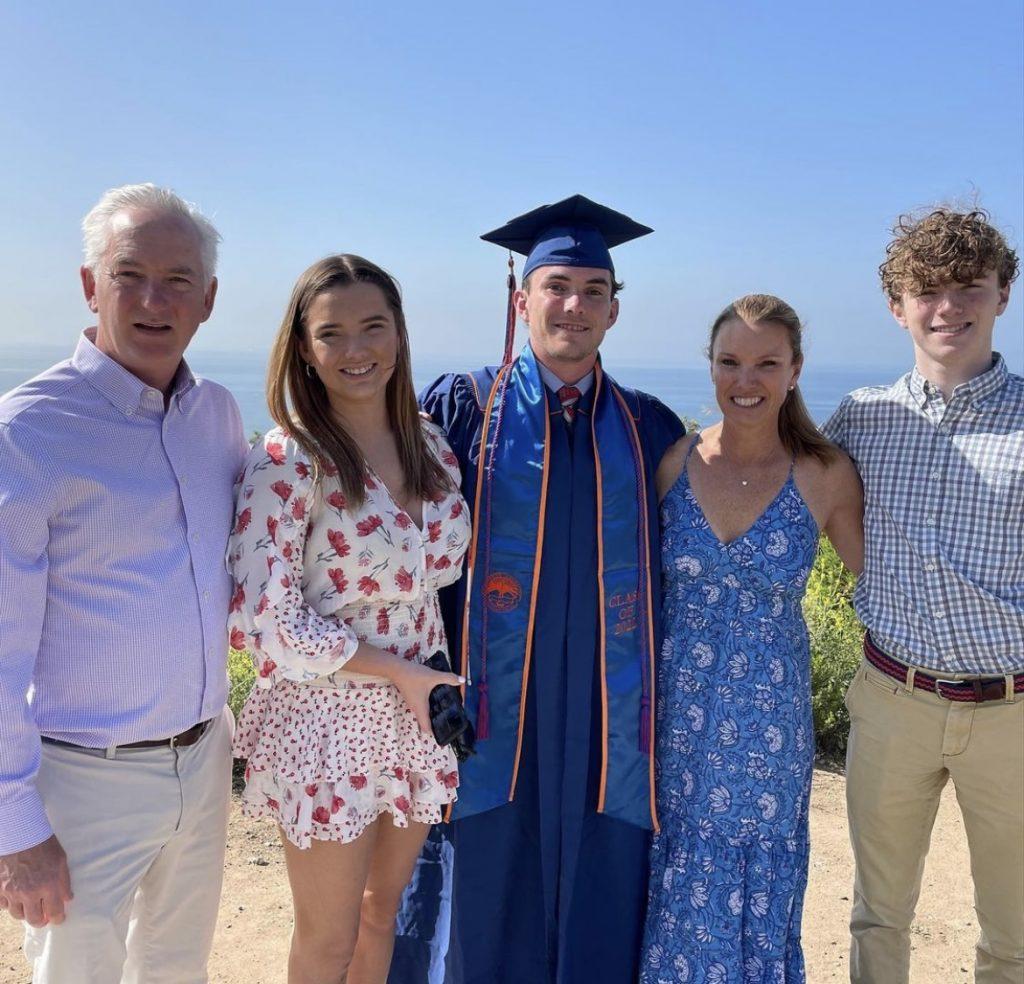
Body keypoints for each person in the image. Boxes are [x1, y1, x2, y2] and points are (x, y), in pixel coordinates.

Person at [391, 196, 686, 984]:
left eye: (594, 291)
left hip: (602, 711)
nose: (574, 306)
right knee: (481, 882)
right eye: (557, 286)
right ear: (521, 299)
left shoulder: (648, 428)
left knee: (602, 861)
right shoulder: (460, 410)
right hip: (489, 709)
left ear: (615, 311)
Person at [0, 183, 247, 982]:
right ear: (88, 285)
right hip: (82, 784)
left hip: (205, 761)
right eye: (129, 274)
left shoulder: (220, 417)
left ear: (207, 300)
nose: (153, 299)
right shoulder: (26, 434)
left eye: (178, 280)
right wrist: (14, 827)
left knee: (179, 971)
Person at [227, 254, 471, 983]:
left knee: (381, 912)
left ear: (399, 333)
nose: (357, 350)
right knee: (327, 939)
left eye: (374, 326)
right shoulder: (290, 458)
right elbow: (261, 619)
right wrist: (401, 674)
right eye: (333, 333)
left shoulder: (429, 442)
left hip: (417, 715)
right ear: (304, 347)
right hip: (328, 720)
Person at [821, 208, 1023, 984]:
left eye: (970, 286)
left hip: (1013, 711)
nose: (949, 308)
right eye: (927, 290)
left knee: (1013, 934)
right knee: (878, 917)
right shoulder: (861, 419)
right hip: (892, 697)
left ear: (1003, 294)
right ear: (897, 305)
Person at [641, 294, 863, 982]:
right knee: (673, 879)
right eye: (730, 361)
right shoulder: (674, 462)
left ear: (795, 370)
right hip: (675, 719)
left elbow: (883, 585)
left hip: (769, 729)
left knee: (757, 885)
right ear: (710, 367)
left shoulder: (823, 474)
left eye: (766, 363)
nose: (747, 380)